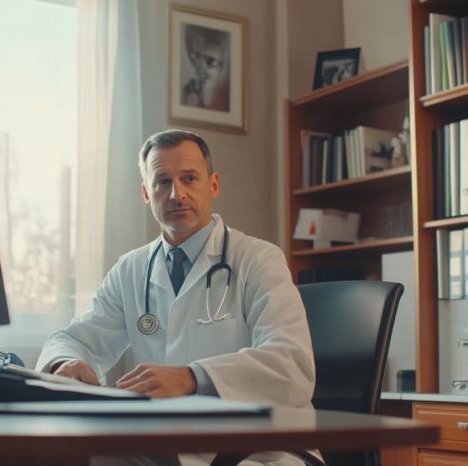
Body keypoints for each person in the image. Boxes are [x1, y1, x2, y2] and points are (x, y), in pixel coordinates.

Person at [36, 130, 316, 466]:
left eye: (189, 178)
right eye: (162, 181)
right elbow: (73, 339)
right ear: (146, 193)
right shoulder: (131, 269)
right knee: (69, 455)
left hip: (261, 452)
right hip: (168, 446)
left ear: (212, 185)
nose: (176, 194)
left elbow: (292, 364)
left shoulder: (258, 259)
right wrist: (62, 364)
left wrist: (192, 377)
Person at [180, 25, 230, 111]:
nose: (202, 71)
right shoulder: (186, 96)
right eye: (197, 58)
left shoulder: (228, 97)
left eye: (210, 61)